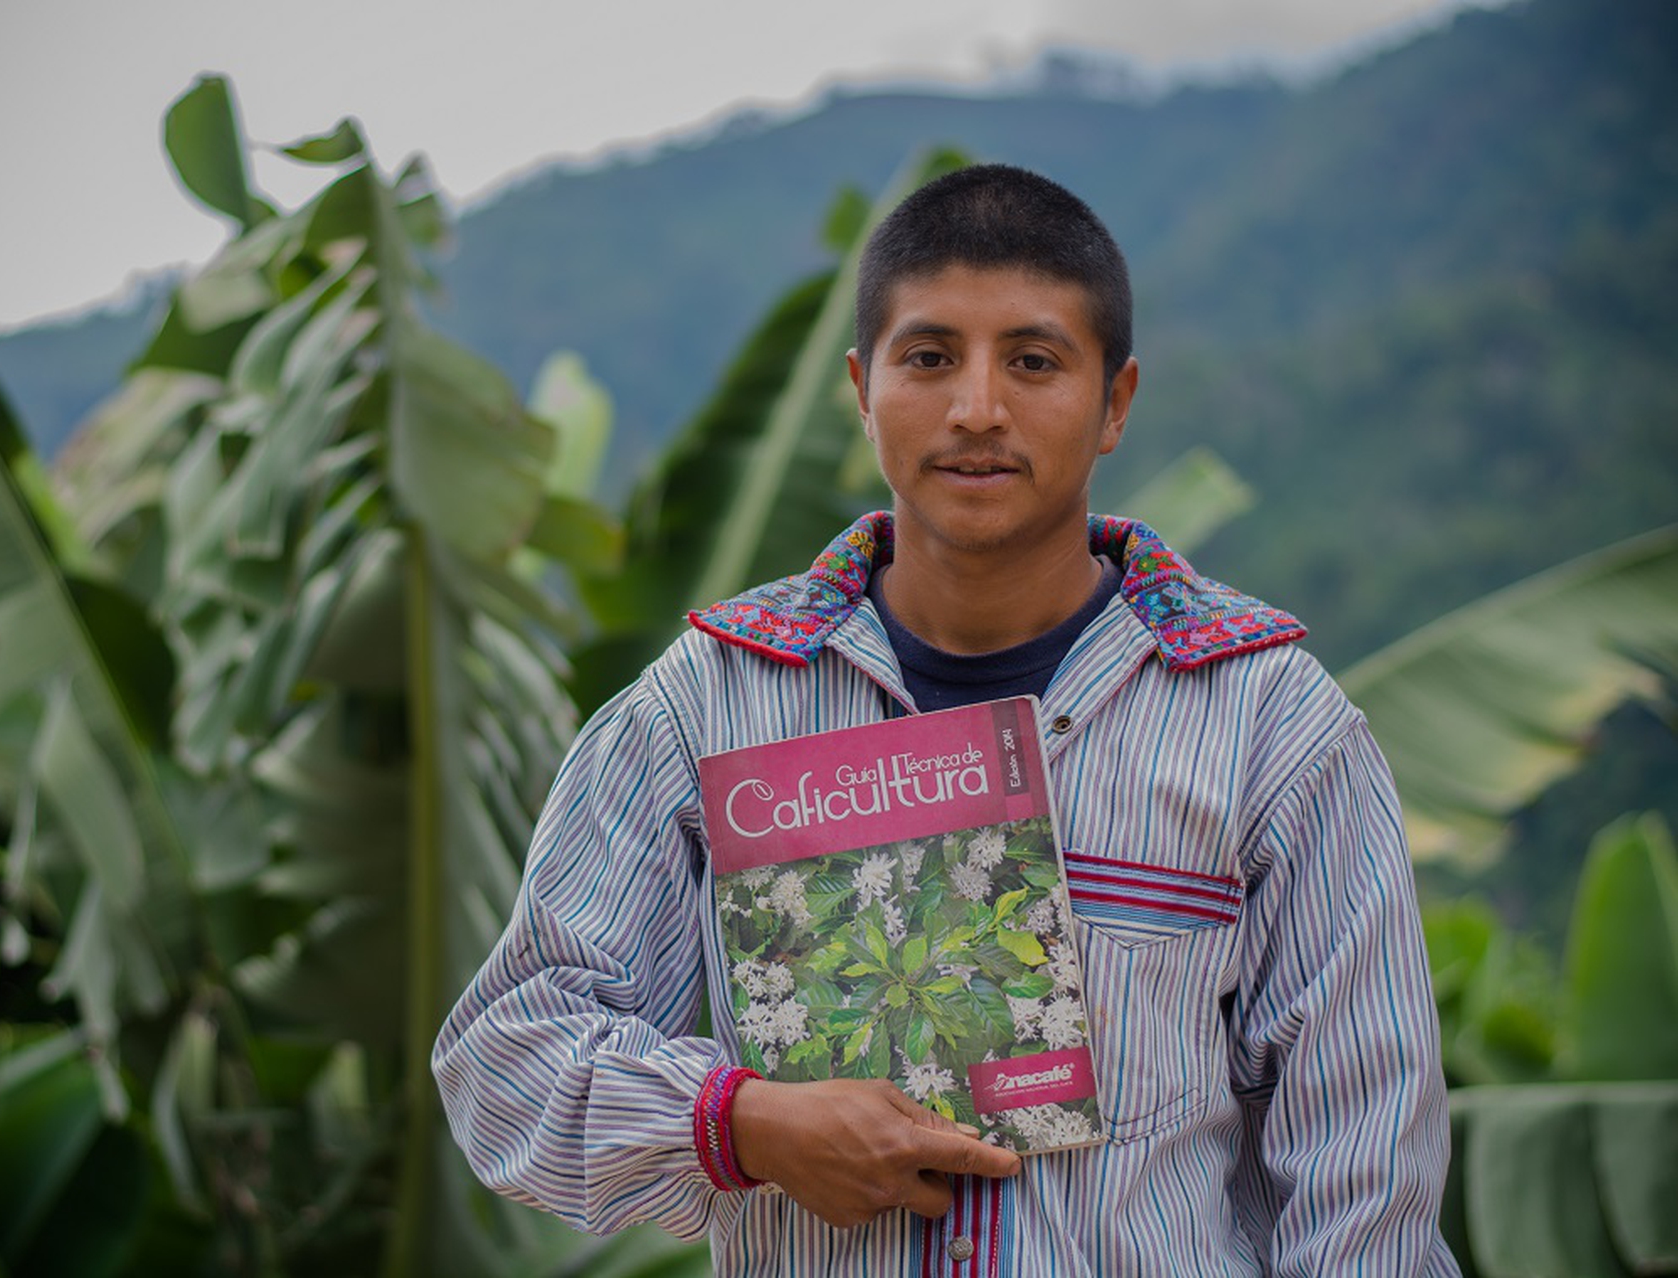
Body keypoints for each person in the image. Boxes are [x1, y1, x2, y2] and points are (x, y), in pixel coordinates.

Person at [434, 163, 1459, 1277]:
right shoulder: (708, 704)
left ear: (1114, 401)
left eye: (1033, 361)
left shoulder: (1272, 727)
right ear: (860, 389)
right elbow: (507, 1063)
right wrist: (746, 1124)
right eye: (929, 358)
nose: (978, 408)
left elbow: (1366, 1191)